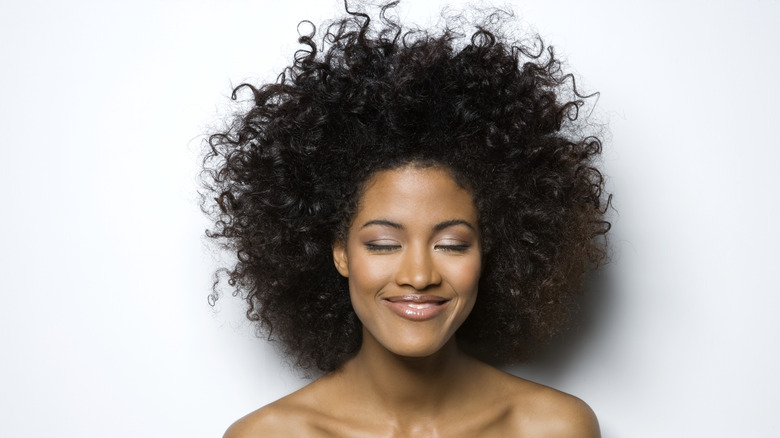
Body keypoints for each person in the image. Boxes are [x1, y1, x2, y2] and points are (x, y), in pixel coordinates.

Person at [202, 1, 610, 436]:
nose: (419, 275)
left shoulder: (552, 428)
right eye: (383, 244)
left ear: (490, 251)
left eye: (452, 244)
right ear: (339, 251)